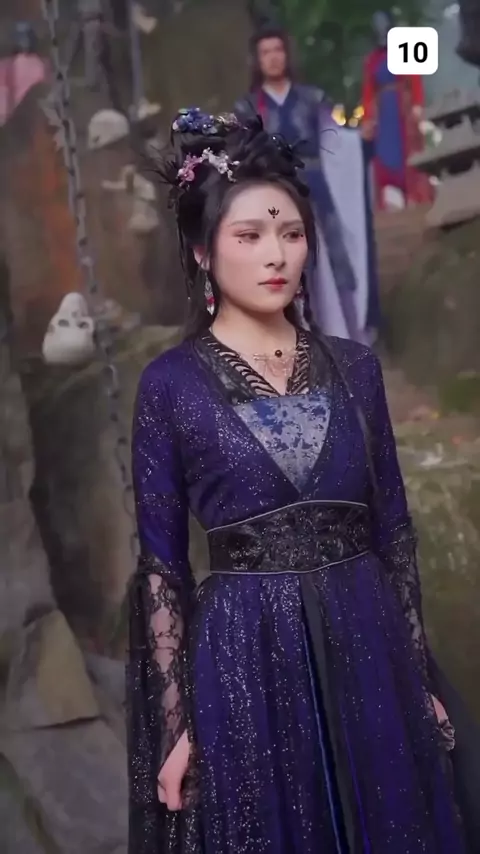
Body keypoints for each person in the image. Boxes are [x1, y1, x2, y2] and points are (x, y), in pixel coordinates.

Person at [125, 106, 469, 854]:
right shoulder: (170, 386)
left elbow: (394, 532)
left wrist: (418, 677)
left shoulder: (357, 368)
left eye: (290, 233)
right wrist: (177, 727)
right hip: (245, 657)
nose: (275, 255)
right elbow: (162, 569)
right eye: (249, 236)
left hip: (369, 641)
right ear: (202, 251)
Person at [234, 24, 381, 344]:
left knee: (335, 262)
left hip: (316, 187)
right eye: (265, 52)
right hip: (275, 192)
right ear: (257, 60)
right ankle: (300, 344)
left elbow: (334, 139)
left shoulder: (312, 98)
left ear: (287, 54)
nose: (273, 58)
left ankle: (350, 339)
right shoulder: (248, 108)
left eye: (278, 50)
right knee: (290, 267)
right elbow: (243, 154)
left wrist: (359, 139)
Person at [361, 10, 434, 210]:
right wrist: (368, 118)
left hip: (403, 108)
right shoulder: (372, 59)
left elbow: (415, 80)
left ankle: (416, 198)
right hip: (384, 112)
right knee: (385, 156)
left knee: (409, 152)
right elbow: (368, 90)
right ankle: (390, 203)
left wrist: (417, 105)